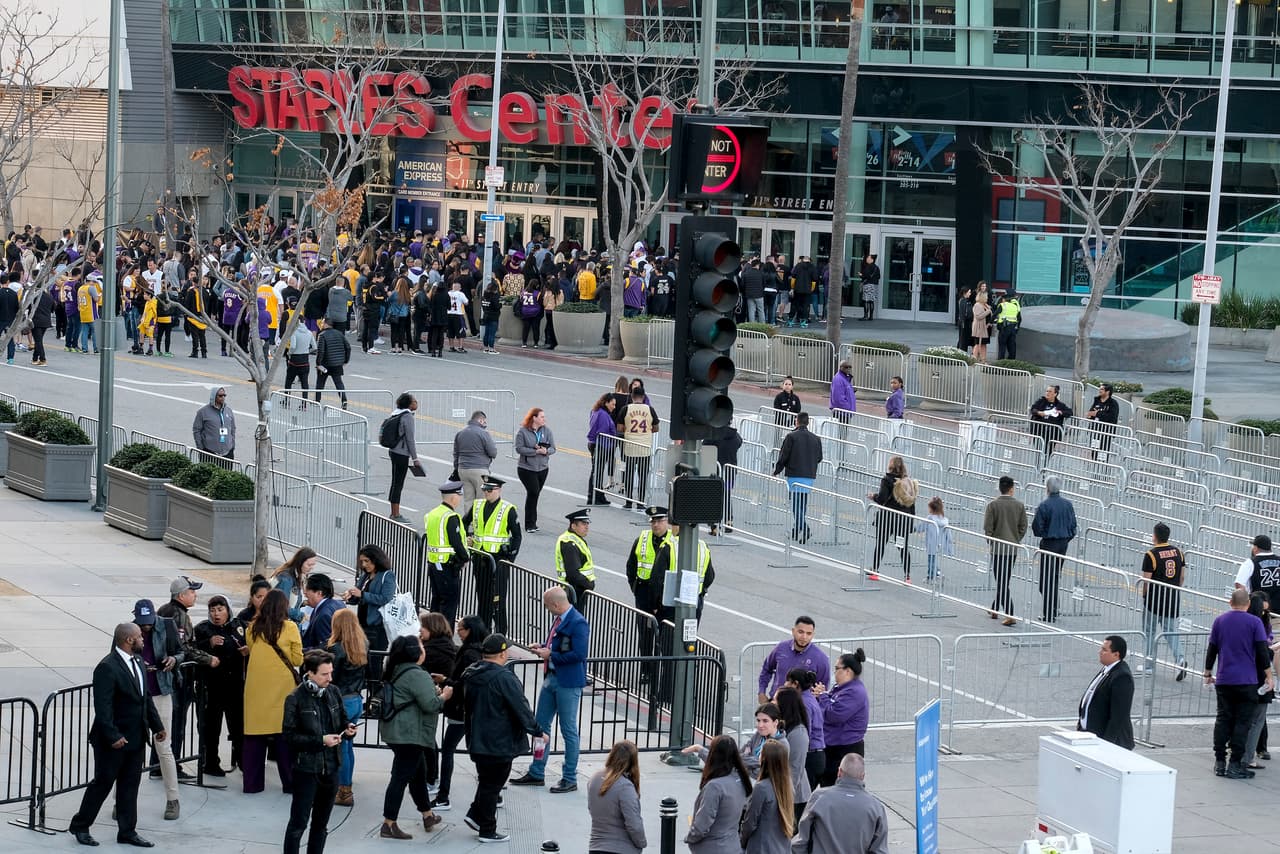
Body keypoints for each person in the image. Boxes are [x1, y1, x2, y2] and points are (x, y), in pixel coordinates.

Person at [68, 623, 166, 849]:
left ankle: (127, 831)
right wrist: (113, 735)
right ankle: (80, 825)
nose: (143, 640)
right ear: (129, 640)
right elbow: (103, 707)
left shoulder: (139, 662)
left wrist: (157, 726)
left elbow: (145, 698)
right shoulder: (107, 667)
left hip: (136, 737)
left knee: (130, 786)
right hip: (112, 741)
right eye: (140, 637)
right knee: (102, 783)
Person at [462, 633, 543, 843]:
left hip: (477, 739)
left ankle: (475, 815)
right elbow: (521, 708)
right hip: (499, 742)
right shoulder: (504, 678)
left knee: (487, 781)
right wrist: (537, 730)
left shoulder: (471, 674)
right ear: (503, 653)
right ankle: (487, 829)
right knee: (493, 785)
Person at [511, 586, 590, 793]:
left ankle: (569, 778)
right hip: (551, 679)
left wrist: (551, 655)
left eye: (547, 605)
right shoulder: (559, 619)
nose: (546, 609)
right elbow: (558, 645)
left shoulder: (578, 623)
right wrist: (543, 647)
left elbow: (579, 654)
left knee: (568, 730)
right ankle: (537, 771)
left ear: (556, 604)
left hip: (568, 682)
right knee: (540, 727)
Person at [281, 649, 357, 854]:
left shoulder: (333, 692)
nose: (329, 678)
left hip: (331, 769)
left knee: (321, 826)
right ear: (310, 673)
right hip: (306, 770)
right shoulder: (295, 698)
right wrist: (320, 741)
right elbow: (288, 737)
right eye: (324, 674)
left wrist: (348, 730)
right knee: (298, 824)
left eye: (331, 673)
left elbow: (342, 720)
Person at [378, 635, 448, 838]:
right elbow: (431, 705)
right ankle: (389, 823)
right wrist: (444, 695)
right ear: (415, 652)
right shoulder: (417, 674)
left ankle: (427, 815)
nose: (424, 649)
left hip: (397, 731)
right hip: (409, 734)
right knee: (400, 778)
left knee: (418, 774)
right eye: (421, 646)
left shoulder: (396, 669)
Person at [1206, 588, 1275, 778]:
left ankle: (1219, 761)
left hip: (1224, 678)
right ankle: (1235, 764)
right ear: (1248, 604)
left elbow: (1212, 648)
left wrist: (1207, 672)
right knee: (1243, 723)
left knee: (1223, 719)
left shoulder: (1220, 621)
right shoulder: (1254, 622)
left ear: (1230, 602)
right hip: (1247, 680)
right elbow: (1262, 652)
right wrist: (1269, 676)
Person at [243, 589, 304, 794]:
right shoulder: (290, 627)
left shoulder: (252, 628)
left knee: (254, 738)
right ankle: (290, 783)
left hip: (256, 688)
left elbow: (252, 649)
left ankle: (252, 784)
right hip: (283, 688)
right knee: (284, 738)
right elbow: (297, 659)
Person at [156, 575, 213, 777]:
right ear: (181, 595)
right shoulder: (179, 615)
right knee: (177, 724)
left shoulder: (164, 610)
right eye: (192, 592)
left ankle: (157, 766)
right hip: (178, 677)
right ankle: (174, 766)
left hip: (166, 676)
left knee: (163, 724)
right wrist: (208, 658)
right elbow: (185, 648)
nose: (195, 595)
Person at [132, 598, 182, 819]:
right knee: (129, 752)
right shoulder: (128, 631)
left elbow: (182, 651)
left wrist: (173, 659)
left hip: (161, 692)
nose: (146, 627)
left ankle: (173, 800)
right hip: (138, 696)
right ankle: (120, 801)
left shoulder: (167, 625)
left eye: (149, 622)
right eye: (142, 622)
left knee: (164, 748)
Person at [436, 615, 489, 811]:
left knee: (449, 749)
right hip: (468, 709)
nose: (458, 632)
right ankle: (494, 792)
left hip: (462, 710)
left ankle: (443, 796)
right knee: (477, 753)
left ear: (470, 630)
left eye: (461, 629)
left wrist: (445, 681)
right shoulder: (476, 650)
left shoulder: (469, 653)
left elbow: (466, 682)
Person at [791, 753, 889, 854]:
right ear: (862, 776)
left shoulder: (819, 797)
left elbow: (802, 840)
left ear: (839, 772)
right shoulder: (876, 807)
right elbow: (879, 849)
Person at [194, 595, 247, 776]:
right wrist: (208, 643)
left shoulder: (239, 626)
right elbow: (191, 649)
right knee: (211, 728)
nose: (216, 614)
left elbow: (251, 644)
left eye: (220, 610)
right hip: (212, 687)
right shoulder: (203, 629)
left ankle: (242, 760)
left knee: (239, 727)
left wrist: (248, 651)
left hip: (235, 686)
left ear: (228, 610)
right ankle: (210, 763)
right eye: (212, 610)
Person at [463, 475, 522, 633]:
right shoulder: (477, 505)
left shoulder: (508, 509)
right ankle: (484, 630)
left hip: (498, 561)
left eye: (490, 490)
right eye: (484, 489)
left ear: (499, 490)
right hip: (480, 559)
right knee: (482, 597)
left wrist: (509, 559)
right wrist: (467, 537)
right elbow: (463, 523)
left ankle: (501, 633)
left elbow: (517, 536)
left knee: (498, 598)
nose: (486, 492)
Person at [326, 609, 367, 807]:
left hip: (341, 701)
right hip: (356, 699)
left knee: (340, 746)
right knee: (348, 745)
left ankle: (344, 791)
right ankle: (346, 786)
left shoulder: (336, 649)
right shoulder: (362, 645)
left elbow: (331, 677)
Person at [684, 734, 752, 853]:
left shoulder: (715, 787)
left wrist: (689, 838)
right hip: (733, 845)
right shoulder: (740, 779)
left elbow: (702, 824)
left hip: (712, 847)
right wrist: (699, 750)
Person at [1138, 523, 1189, 679]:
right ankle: (1180, 659)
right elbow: (1181, 577)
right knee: (1171, 632)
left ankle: (1148, 666)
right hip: (1172, 599)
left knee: (1149, 631)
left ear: (1155, 536)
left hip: (1154, 600)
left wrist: (1144, 595)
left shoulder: (1151, 555)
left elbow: (1146, 580)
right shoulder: (1179, 552)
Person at [815, 649, 869, 786]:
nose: (834, 672)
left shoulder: (854, 692)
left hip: (844, 749)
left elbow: (834, 715)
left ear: (848, 671)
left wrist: (822, 696)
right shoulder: (842, 688)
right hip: (833, 746)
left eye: (837, 668)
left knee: (837, 788)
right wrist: (824, 695)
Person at [627, 506, 675, 659]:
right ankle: (646, 669)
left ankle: (661, 666)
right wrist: (635, 588)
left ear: (667, 522)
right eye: (653, 521)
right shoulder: (642, 539)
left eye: (659, 521)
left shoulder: (673, 541)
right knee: (645, 634)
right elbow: (631, 566)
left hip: (664, 596)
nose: (655, 525)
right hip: (644, 593)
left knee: (664, 635)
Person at [587, 739, 648, 854]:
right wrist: (642, 843)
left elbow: (591, 808)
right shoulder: (625, 787)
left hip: (596, 846)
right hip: (622, 848)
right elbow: (634, 824)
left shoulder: (594, 779)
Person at [344, 544, 397, 674]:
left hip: (377, 626)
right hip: (362, 625)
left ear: (376, 559)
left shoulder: (387, 575)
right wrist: (350, 596)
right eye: (362, 561)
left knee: (375, 664)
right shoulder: (365, 576)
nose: (364, 565)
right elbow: (358, 596)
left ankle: (376, 691)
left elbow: (385, 598)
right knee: (363, 662)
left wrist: (362, 595)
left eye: (367, 561)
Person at [422, 480, 470, 623]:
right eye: (459, 496)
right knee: (449, 605)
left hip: (434, 563)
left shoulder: (433, 514)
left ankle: (432, 632)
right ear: (454, 497)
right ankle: (444, 638)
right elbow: (455, 542)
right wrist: (465, 557)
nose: (460, 499)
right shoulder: (450, 516)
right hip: (447, 566)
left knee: (436, 600)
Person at [1077, 635, 1135, 750]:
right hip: (1090, 735)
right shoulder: (1107, 669)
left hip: (1108, 742)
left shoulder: (1122, 677)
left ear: (1116, 654)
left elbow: (1119, 715)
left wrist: (1107, 744)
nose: (1100, 652)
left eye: (1104, 650)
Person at [1032, 477, 1077, 624]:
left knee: (1046, 579)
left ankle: (1049, 612)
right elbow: (1073, 527)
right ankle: (1054, 608)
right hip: (1063, 543)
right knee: (1055, 576)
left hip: (1049, 543)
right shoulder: (1068, 505)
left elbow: (1037, 527)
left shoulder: (1044, 505)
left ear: (1047, 488)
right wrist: (1066, 538)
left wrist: (1044, 534)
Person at [773, 412, 823, 543]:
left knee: (795, 504)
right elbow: (819, 458)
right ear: (808, 422)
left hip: (795, 474)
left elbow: (784, 455)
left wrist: (777, 470)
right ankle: (796, 530)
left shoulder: (791, 436)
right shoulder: (816, 438)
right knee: (802, 503)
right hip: (809, 474)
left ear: (797, 421)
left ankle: (804, 528)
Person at [984, 476, 1027, 626]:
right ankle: (995, 608)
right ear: (1011, 489)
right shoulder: (1020, 506)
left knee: (1001, 581)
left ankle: (1009, 613)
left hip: (998, 549)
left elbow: (988, 528)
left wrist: (992, 542)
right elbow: (1023, 527)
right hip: (1012, 549)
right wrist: (1016, 539)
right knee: (1004, 579)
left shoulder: (993, 505)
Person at [758, 617, 832, 703]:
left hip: (800, 709)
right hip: (776, 702)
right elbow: (767, 669)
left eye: (809, 633)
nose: (804, 637)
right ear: (793, 631)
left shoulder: (821, 659)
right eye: (800, 632)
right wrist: (761, 692)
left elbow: (822, 688)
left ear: (813, 635)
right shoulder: (781, 648)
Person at [740, 739, 795, 854]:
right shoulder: (787, 787)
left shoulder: (762, 788)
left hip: (761, 847)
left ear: (765, 759)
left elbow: (750, 822)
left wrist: (742, 842)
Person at [868, 455, 917, 581]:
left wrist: (873, 496)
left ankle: (875, 570)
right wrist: (910, 521)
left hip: (887, 518)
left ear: (891, 466)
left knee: (881, 544)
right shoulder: (908, 481)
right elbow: (911, 503)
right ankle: (907, 576)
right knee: (903, 547)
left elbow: (882, 498)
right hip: (902, 519)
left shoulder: (887, 480)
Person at [774, 687, 812, 822]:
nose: (772, 703)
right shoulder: (782, 727)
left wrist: (785, 798)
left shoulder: (798, 733)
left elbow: (795, 769)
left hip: (794, 797)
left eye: (775, 701)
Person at [515, 407, 556, 531]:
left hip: (542, 468)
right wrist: (535, 451)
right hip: (527, 468)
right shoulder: (523, 432)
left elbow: (553, 448)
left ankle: (533, 522)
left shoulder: (547, 431)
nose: (544, 419)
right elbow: (519, 449)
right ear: (534, 418)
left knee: (535, 494)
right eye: (542, 417)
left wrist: (546, 451)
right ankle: (529, 524)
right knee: (533, 492)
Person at [784, 668, 826, 790]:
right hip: (816, 755)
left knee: (799, 799)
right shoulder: (808, 698)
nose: (785, 684)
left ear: (796, 684)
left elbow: (805, 731)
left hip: (810, 757)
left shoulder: (803, 703)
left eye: (788, 681)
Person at [619, 388, 658, 510]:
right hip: (645, 448)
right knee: (643, 476)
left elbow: (620, 428)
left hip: (629, 447)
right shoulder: (650, 409)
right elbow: (656, 427)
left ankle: (628, 501)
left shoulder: (626, 409)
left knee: (629, 475)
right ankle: (640, 502)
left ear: (632, 396)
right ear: (644, 396)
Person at [386, 393, 420, 523]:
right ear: (409, 404)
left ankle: (393, 511)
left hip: (393, 451)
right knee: (398, 483)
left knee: (395, 482)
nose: (416, 403)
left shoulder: (396, 413)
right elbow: (410, 439)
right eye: (414, 401)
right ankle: (395, 514)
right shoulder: (407, 417)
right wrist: (415, 458)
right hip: (401, 453)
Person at [453, 410, 498, 507]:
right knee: (481, 500)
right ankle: (478, 521)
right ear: (481, 420)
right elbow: (493, 452)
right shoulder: (483, 433)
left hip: (463, 470)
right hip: (479, 470)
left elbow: (456, 453)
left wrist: (457, 467)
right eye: (484, 421)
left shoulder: (460, 433)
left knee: (468, 499)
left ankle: (468, 521)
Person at [557, 508, 597, 607]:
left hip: (575, 589)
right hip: (573, 590)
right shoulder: (570, 544)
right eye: (583, 524)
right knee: (573, 620)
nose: (587, 527)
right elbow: (573, 573)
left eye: (587, 524)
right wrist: (589, 584)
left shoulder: (576, 539)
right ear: (573, 526)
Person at [587, 393, 618, 505]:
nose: (614, 407)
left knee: (597, 471)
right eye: (612, 404)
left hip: (596, 444)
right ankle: (593, 496)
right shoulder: (603, 415)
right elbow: (604, 431)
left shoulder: (596, 411)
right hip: (601, 445)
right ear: (606, 403)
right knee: (597, 471)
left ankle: (599, 496)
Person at [914, 497, 953, 584]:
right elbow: (949, 535)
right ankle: (937, 573)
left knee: (931, 560)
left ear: (931, 508)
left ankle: (931, 577)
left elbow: (921, 527)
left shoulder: (930, 518)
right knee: (935, 559)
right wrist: (950, 547)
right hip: (941, 543)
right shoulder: (944, 520)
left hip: (931, 543)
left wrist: (913, 529)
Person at [272, 546, 317, 624]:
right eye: (309, 565)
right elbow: (281, 606)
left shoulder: (296, 575)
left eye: (313, 565)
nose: (311, 568)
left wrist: (306, 602)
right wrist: (301, 615)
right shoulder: (286, 579)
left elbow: (291, 600)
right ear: (300, 562)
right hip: (282, 624)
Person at [313, 319, 351, 409]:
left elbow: (320, 351)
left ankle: (317, 400)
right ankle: (344, 400)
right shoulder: (339, 333)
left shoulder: (322, 335)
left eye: (322, 323)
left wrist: (318, 363)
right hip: (337, 363)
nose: (321, 324)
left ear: (326, 324)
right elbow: (348, 347)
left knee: (320, 382)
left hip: (325, 363)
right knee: (338, 383)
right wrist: (345, 360)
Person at [192, 386, 236, 460]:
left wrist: (232, 446)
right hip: (209, 452)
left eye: (224, 395)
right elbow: (196, 430)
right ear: (214, 396)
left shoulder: (228, 411)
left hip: (227, 453)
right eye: (220, 395)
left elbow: (233, 429)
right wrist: (201, 448)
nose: (223, 397)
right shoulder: (203, 412)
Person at [301, 573, 343, 650]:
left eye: (307, 590)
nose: (305, 593)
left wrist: (303, 651)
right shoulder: (339, 604)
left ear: (319, 593)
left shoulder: (324, 615)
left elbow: (326, 647)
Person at [1233, 534, 1280, 603]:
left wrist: (1247, 602)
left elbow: (1239, 583)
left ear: (1255, 548)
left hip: (1259, 606)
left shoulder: (1250, 562)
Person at [1029, 385, 1072, 454]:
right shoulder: (1041, 401)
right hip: (1039, 431)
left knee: (1048, 453)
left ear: (1055, 394)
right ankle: (1039, 464)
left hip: (1052, 433)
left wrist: (1061, 412)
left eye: (1050, 391)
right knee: (1039, 451)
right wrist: (1039, 412)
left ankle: (1045, 464)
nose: (1047, 393)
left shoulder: (1060, 405)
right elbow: (1033, 409)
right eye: (1047, 391)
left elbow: (1070, 412)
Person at [1084, 383, 1120, 456]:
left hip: (1106, 433)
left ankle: (1102, 466)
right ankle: (1094, 464)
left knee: (1103, 453)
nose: (1099, 390)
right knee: (1094, 451)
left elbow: (1112, 417)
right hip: (1095, 431)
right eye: (1099, 389)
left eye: (1102, 389)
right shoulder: (1097, 400)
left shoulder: (1113, 403)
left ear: (1108, 392)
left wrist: (1097, 414)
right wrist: (1090, 415)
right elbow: (1091, 412)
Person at [995, 287, 1021, 359]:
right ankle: (1011, 364)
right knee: (1012, 347)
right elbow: (1019, 318)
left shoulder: (1004, 305)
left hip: (1004, 328)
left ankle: (1000, 365)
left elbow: (995, 314)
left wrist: (990, 322)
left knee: (1002, 347)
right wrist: (1017, 328)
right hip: (1013, 328)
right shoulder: (1016, 304)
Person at [970, 291, 992, 363]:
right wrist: (988, 312)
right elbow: (978, 316)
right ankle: (973, 359)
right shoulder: (977, 305)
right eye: (986, 296)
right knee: (977, 344)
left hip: (985, 328)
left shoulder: (985, 305)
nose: (987, 298)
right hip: (979, 328)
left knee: (984, 344)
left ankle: (983, 360)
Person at [858, 254, 879, 321]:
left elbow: (866, 275)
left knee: (866, 300)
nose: (867, 259)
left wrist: (861, 275)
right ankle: (871, 316)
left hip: (868, 285)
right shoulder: (876, 267)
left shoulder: (868, 267)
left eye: (868, 258)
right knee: (871, 301)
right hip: (875, 285)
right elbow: (879, 277)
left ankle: (866, 316)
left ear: (872, 259)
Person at [955, 286, 974, 352]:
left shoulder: (964, 300)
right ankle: (961, 353)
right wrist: (963, 322)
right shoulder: (963, 301)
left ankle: (959, 352)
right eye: (969, 292)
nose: (970, 293)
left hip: (965, 322)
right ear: (965, 293)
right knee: (963, 340)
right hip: (965, 323)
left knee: (962, 339)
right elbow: (963, 313)